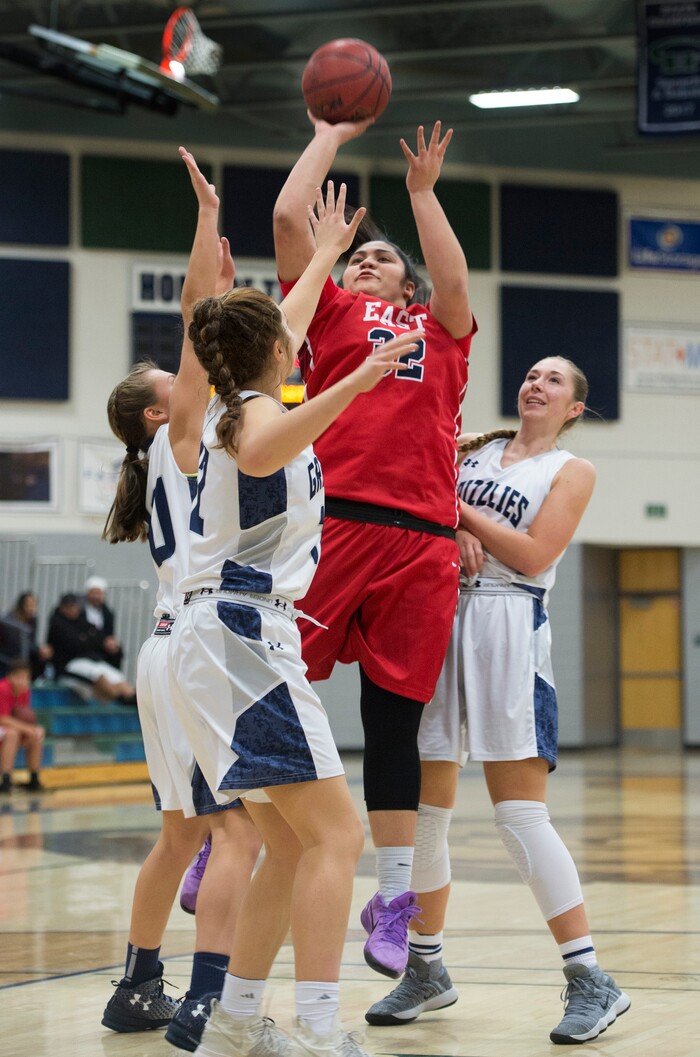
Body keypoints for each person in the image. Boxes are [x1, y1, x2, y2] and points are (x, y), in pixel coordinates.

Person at [167, 181, 421, 1057]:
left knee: (285, 839)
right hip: (243, 634)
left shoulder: (251, 392)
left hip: (218, 638)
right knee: (339, 837)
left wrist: (320, 255)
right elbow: (271, 441)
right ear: (277, 351)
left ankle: (238, 1018)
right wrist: (358, 376)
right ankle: (318, 1027)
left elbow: (289, 321)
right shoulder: (253, 413)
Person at [366, 356, 631, 1045]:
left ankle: (590, 976)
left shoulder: (572, 470)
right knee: (427, 815)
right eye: (532, 374)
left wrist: (460, 515)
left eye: (554, 380)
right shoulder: (471, 450)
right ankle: (425, 967)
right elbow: (428, 515)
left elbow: (536, 553)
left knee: (517, 814)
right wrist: (452, 529)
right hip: (440, 617)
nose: (536, 383)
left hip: (511, 625)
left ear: (575, 406)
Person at [273, 116, 476, 979]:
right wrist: (326, 135)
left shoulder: (441, 328)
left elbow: (456, 280)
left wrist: (423, 196)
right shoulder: (329, 307)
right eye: (363, 256)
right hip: (330, 523)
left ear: (411, 282)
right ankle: (231, 831)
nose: (369, 262)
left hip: (422, 539)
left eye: (384, 258)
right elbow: (288, 222)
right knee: (282, 696)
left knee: (394, 728)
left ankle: (392, 898)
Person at [100, 148, 262, 1045]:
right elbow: (199, 320)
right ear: (160, 414)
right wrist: (205, 221)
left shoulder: (162, 451)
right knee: (239, 837)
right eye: (176, 383)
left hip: (164, 646)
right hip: (203, 641)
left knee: (181, 837)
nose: (187, 378)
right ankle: (206, 999)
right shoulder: (179, 437)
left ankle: (139, 983)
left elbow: (203, 328)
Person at [47, 592, 136, 704]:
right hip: (70, 665)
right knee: (100, 678)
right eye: (69, 606)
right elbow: (76, 644)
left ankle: (131, 698)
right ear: (62, 608)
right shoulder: (57, 624)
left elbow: (97, 637)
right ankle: (123, 700)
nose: (73, 609)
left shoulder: (83, 622)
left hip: (92, 661)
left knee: (119, 678)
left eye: (74, 606)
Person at [0, 658, 46, 793]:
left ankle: (34, 779)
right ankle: (6, 780)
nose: (24, 681)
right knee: (12, 734)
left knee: (36, 736)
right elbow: (2, 718)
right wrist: (28, 729)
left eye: (27, 677)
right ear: (10, 677)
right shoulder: (2, 689)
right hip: (4, 724)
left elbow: (24, 717)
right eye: (20, 677)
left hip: (8, 726)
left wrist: (33, 729)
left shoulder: (24, 692)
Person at [1, 591, 54, 680]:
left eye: (34, 605)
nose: (32, 608)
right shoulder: (11, 620)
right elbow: (15, 642)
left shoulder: (33, 620)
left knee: (43, 658)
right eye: (29, 605)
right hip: (9, 657)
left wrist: (40, 649)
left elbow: (31, 640)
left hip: (26, 655)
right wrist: (37, 649)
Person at [81, 575, 125, 669]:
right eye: (93, 593)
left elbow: (109, 633)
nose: (96, 597)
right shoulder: (80, 610)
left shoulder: (107, 613)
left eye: (99, 593)